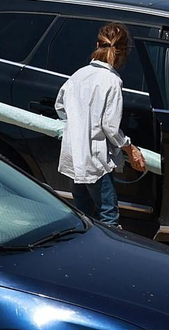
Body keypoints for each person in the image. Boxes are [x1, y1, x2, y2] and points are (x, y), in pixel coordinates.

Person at [55, 23, 146, 225]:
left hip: (72, 157)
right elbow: (110, 127)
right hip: (96, 161)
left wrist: (78, 126)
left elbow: (60, 107)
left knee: (83, 215)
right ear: (123, 52)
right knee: (108, 217)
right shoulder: (112, 81)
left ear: (97, 44)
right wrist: (130, 148)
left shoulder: (77, 75)